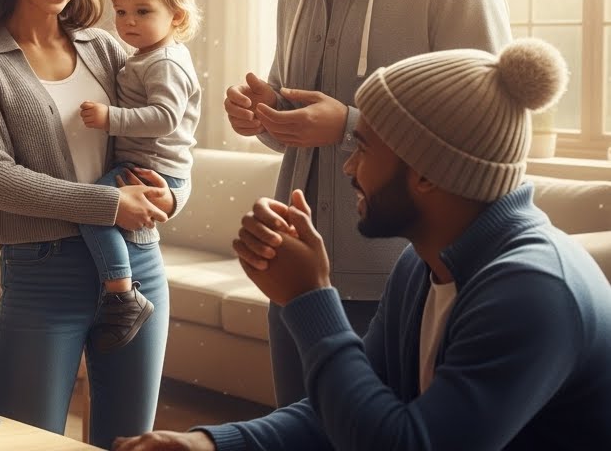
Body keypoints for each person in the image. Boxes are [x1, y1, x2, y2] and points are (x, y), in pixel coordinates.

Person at [115, 40, 611, 451]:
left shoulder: (534, 292)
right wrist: (211, 444)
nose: (350, 167)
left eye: (365, 148)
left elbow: (401, 445)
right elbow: (352, 410)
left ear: (426, 175)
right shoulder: (425, 265)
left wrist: (310, 299)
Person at [222, 0, 510, 405]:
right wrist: (265, 118)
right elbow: (293, 125)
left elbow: (489, 136)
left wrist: (350, 123)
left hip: (396, 282)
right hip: (294, 271)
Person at [0, 0, 175, 450]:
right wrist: (108, 204)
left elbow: (154, 138)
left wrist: (167, 195)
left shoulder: (108, 49)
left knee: (132, 442)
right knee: (29, 443)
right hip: (43, 274)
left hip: (137, 260)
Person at [77, 0, 202, 353]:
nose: (128, 21)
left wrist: (110, 118)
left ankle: (121, 294)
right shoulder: (144, 55)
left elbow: (165, 117)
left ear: (177, 17)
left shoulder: (166, 62)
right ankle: (121, 289)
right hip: (145, 167)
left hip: (151, 170)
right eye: (121, 11)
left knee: (93, 210)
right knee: (99, 211)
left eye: (143, 11)